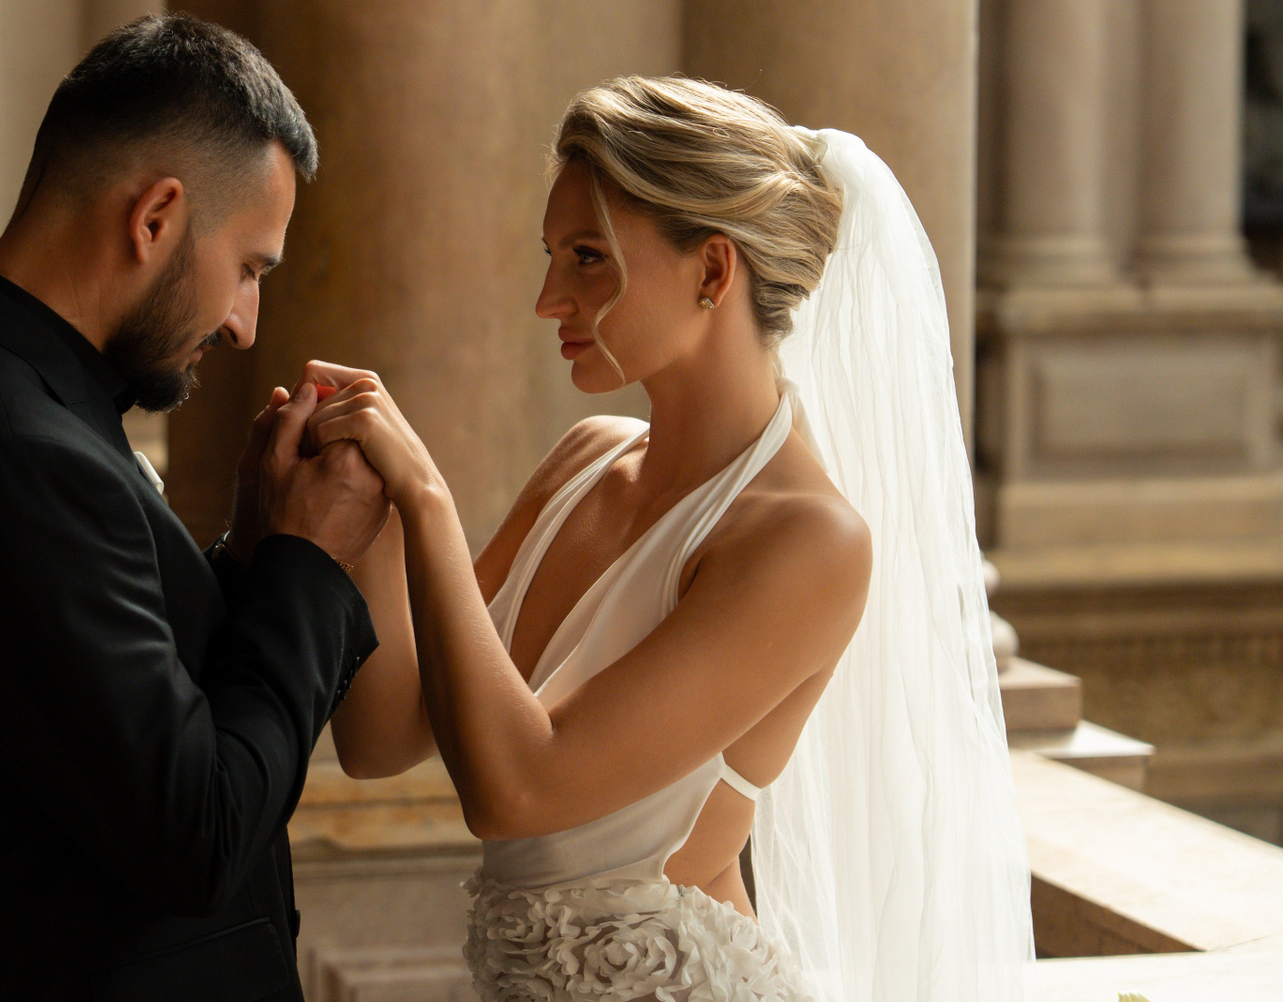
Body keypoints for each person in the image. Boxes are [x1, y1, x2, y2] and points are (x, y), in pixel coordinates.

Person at [308, 77, 1033, 1000]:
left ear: (713, 272)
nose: (548, 299)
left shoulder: (808, 541)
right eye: (551, 257)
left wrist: (426, 501)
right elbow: (381, 740)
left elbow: (515, 792)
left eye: (587, 258)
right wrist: (371, 516)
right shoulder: (584, 462)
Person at [0, 14, 391, 1001]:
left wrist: (248, 558)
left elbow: (91, 717)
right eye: (249, 268)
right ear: (155, 218)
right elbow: (197, 833)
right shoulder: (14, 448)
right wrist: (306, 564)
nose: (244, 324)